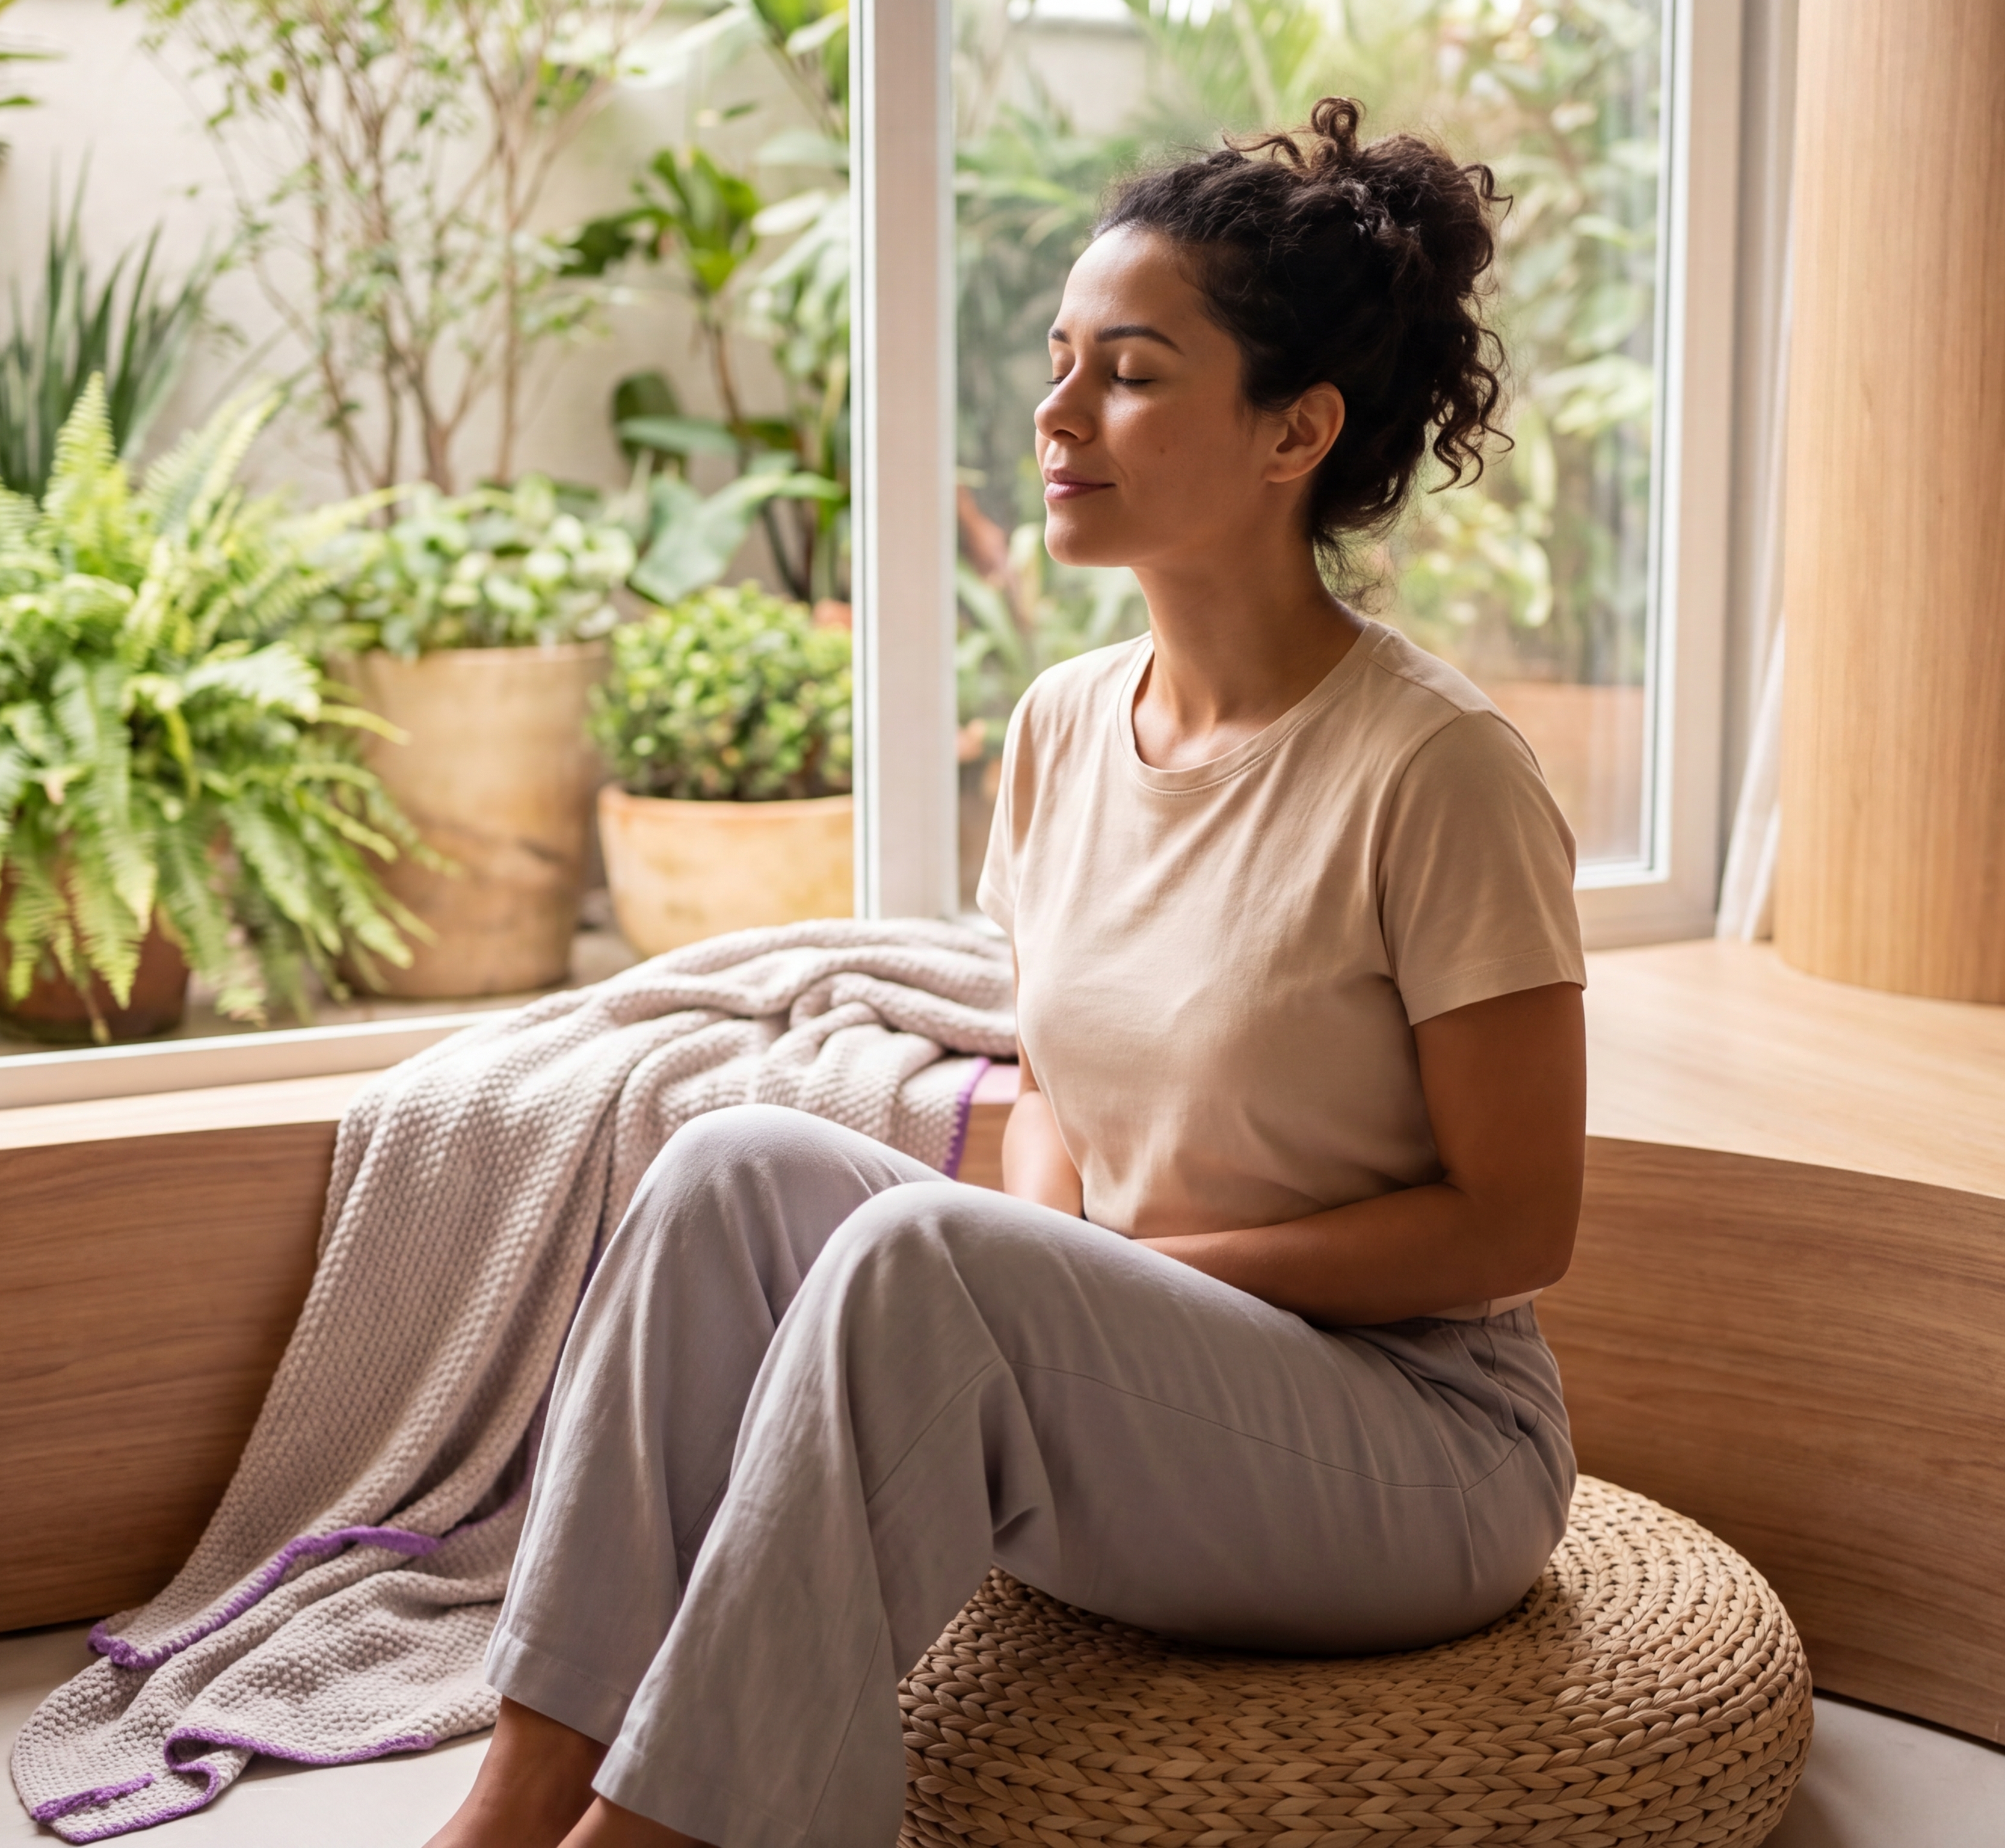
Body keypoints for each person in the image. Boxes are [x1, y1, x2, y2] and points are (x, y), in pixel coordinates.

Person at [427, 96, 1586, 1848]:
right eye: (1059, 363)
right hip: (1161, 1353)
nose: (1053, 418)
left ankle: (664, 1837)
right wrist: (1076, 1267)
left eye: (1128, 372)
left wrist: (1133, 1274)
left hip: (1414, 1438)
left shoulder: (1437, 770)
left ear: (1298, 433)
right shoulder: (1061, 728)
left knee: (918, 1254)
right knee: (728, 1168)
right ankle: (517, 1796)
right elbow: (1051, 1078)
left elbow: (1516, 1226)